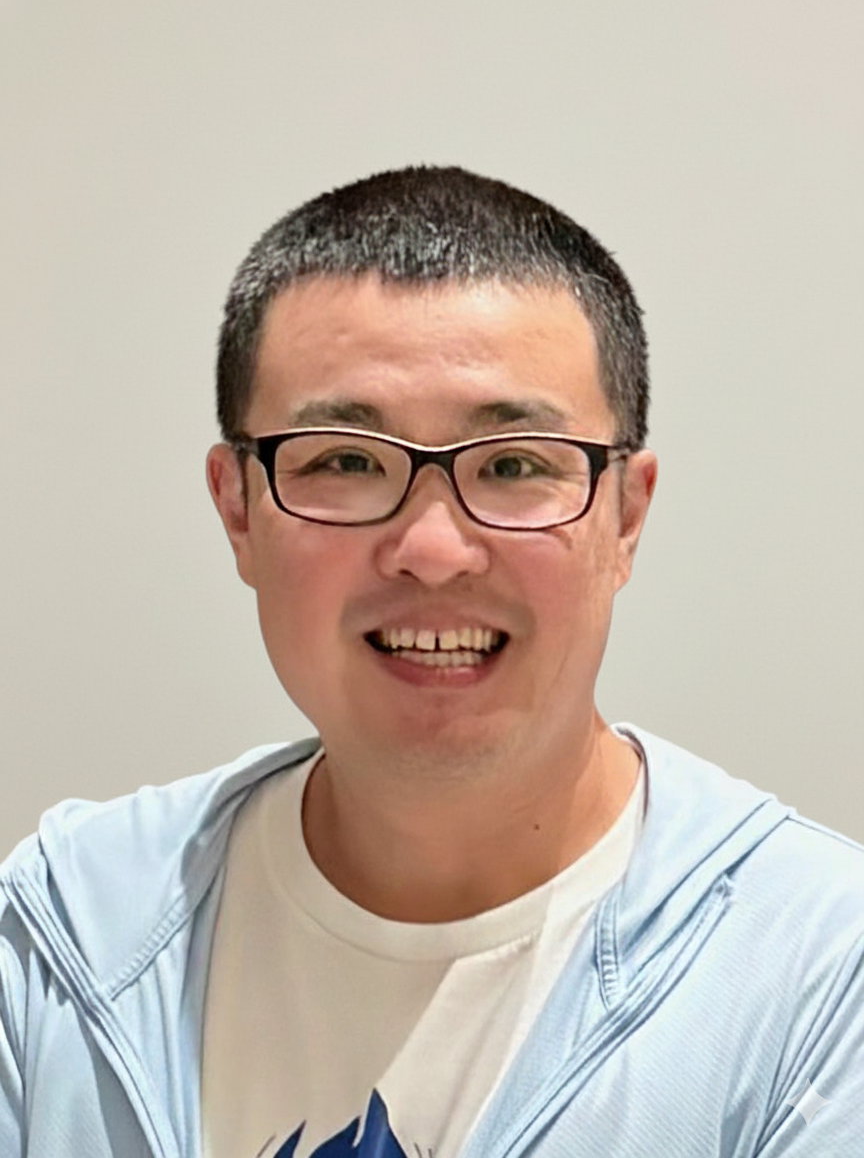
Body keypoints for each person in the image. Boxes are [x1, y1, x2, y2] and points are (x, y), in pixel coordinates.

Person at [1, 167, 862, 1158]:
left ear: (627, 515)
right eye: (344, 460)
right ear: (236, 506)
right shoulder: (65, 938)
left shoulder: (817, 979)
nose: (434, 548)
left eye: (515, 464)